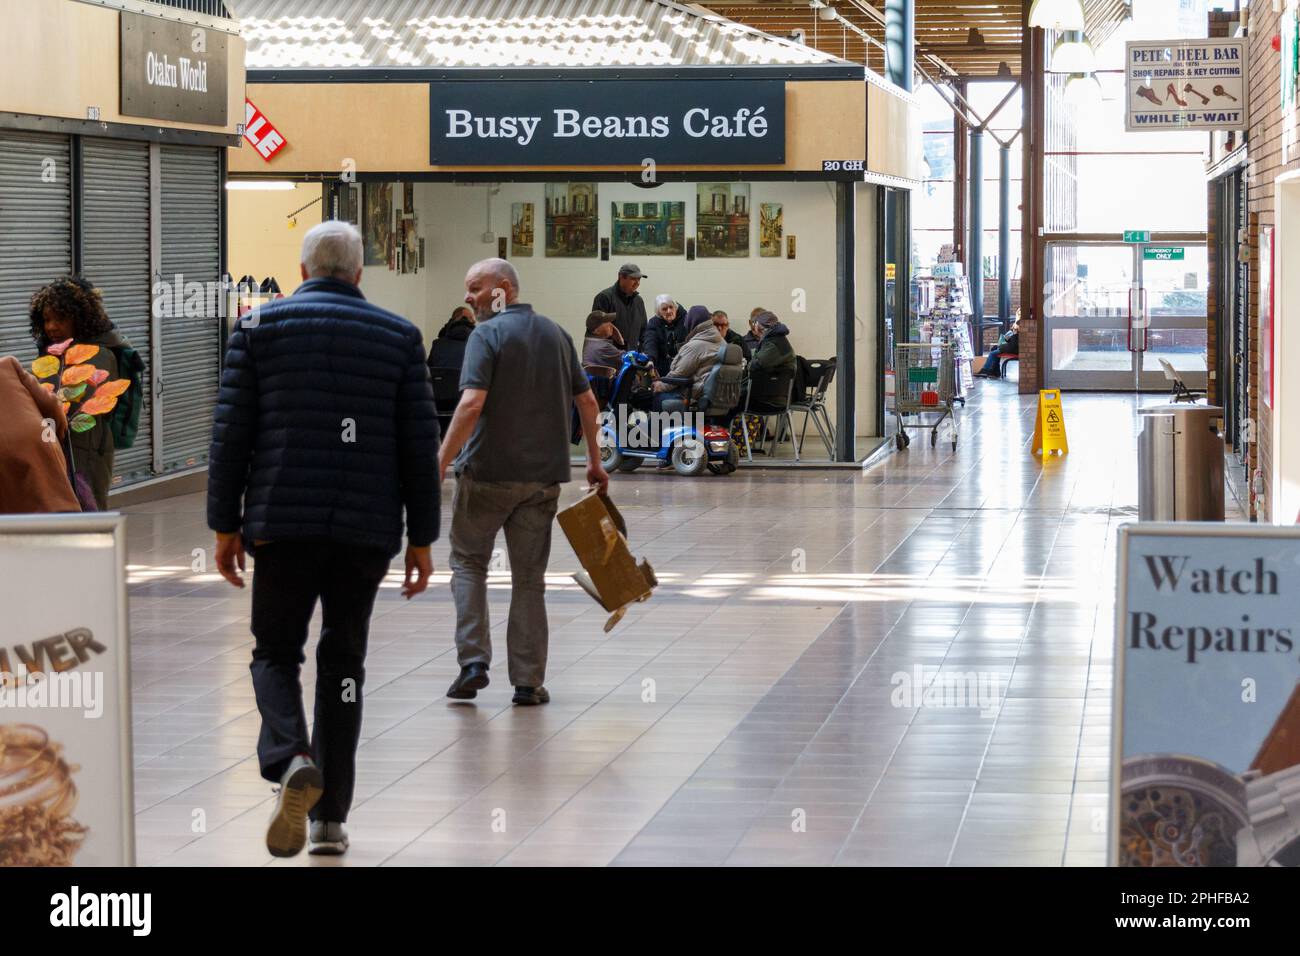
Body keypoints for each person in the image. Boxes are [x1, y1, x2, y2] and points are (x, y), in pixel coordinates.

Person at [207, 220, 440, 860]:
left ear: (302, 268)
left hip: (282, 525)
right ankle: (330, 821)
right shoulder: (398, 337)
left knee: (275, 653)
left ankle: (289, 757)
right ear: (360, 273)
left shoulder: (258, 329)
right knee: (344, 665)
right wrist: (423, 538)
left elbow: (231, 435)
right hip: (364, 532)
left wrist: (224, 524)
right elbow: (420, 449)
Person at [439, 258, 608, 709]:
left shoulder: (486, 335)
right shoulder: (556, 334)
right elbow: (588, 401)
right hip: (543, 480)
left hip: (487, 477)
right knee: (529, 579)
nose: (468, 298)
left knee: (469, 563)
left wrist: (440, 460)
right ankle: (528, 683)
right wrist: (594, 461)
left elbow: (472, 403)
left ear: (504, 289)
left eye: (475, 288)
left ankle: (473, 662)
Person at [28, 277, 141, 510]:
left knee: (87, 511)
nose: (51, 327)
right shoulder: (52, 354)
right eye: (47, 319)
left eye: (60, 319)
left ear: (80, 318)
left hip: (85, 449)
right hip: (56, 444)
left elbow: (75, 401)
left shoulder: (100, 354)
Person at [0, 356, 82, 514]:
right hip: (34, 437)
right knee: (53, 499)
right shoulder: (8, 364)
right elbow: (50, 404)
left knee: (11, 504)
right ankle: (68, 530)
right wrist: (56, 434)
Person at [652, 306, 725, 411]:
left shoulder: (695, 346)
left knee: (659, 398)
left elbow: (678, 375)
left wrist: (659, 385)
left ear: (692, 322)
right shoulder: (723, 343)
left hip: (695, 397)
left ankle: (656, 428)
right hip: (716, 398)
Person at [427, 305, 476, 431]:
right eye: (471, 318)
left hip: (437, 414)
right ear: (460, 319)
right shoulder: (476, 346)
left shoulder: (437, 345)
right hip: (466, 416)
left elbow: (426, 376)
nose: (474, 321)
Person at [745, 310, 797, 405]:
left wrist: (747, 363)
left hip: (769, 399)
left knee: (729, 402)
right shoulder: (778, 339)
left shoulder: (773, 343)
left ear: (759, 326)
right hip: (778, 395)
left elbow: (754, 366)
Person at [592, 263, 648, 350]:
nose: (637, 283)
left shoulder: (639, 301)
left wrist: (642, 353)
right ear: (621, 277)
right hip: (609, 359)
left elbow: (644, 331)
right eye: (633, 279)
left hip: (632, 358)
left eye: (639, 279)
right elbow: (599, 332)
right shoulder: (604, 298)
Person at [642, 293, 687, 377]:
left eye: (671, 307)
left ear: (675, 307)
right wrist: (650, 359)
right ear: (659, 312)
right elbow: (650, 342)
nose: (669, 311)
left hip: (684, 366)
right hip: (663, 368)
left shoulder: (686, 319)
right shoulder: (654, 323)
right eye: (664, 309)